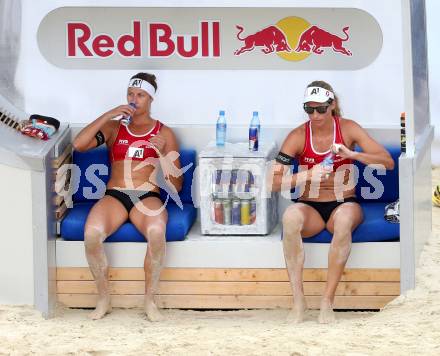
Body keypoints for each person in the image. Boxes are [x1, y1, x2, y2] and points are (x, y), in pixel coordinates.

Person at [270, 81, 394, 323]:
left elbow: (387, 162)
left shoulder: (348, 129)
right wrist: (307, 174)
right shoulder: (297, 135)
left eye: (320, 109)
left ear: (332, 105)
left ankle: (327, 301)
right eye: (309, 109)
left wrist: (353, 154)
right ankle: (299, 302)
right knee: (290, 218)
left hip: (344, 202)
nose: (315, 115)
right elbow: (272, 182)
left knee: (345, 219)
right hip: (310, 208)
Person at [73, 72, 182, 321]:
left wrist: (162, 153)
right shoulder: (114, 128)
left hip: (147, 195)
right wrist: (108, 114)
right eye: (130, 94)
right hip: (116, 194)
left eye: (140, 95)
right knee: (91, 234)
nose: (134, 99)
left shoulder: (163, 133)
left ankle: (150, 301)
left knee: (156, 231)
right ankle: (103, 299)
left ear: (151, 99)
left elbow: (176, 184)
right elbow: (79, 144)